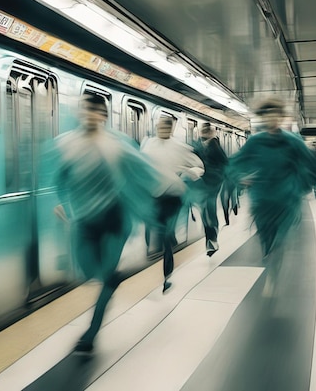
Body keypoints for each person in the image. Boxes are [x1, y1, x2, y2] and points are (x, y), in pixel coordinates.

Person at [52, 93, 159, 353]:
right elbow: (60, 178)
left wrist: (151, 200)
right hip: (84, 221)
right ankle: (111, 278)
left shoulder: (118, 144)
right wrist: (62, 202)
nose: (89, 115)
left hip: (114, 218)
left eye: (95, 111)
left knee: (107, 276)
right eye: (85, 110)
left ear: (103, 116)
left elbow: (143, 172)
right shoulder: (66, 143)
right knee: (88, 272)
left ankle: (91, 333)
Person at [227, 98, 316, 294]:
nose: (272, 118)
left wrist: (301, 187)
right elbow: (235, 162)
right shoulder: (254, 141)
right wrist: (241, 178)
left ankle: (273, 275)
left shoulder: (293, 141)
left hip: (286, 200)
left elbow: (311, 165)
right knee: (265, 237)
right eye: (268, 115)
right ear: (263, 118)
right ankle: (269, 254)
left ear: (281, 117)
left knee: (280, 240)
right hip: (261, 201)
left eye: (276, 114)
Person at [140, 115, 204, 292]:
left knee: (166, 234)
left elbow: (199, 167)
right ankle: (167, 254)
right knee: (161, 233)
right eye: (160, 127)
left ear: (171, 129)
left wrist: (187, 171)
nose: (162, 130)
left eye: (165, 128)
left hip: (174, 196)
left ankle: (167, 275)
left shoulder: (180, 147)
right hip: (155, 196)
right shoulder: (148, 145)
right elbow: (141, 165)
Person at [192, 123, 229, 256]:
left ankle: (212, 239)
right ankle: (211, 239)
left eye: (207, 131)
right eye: (203, 131)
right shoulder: (197, 145)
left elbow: (225, 163)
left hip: (213, 183)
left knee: (209, 208)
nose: (205, 134)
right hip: (202, 182)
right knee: (205, 210)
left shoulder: (215, 146)